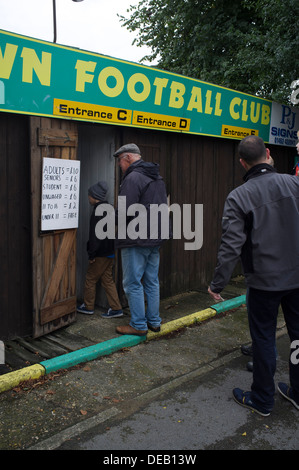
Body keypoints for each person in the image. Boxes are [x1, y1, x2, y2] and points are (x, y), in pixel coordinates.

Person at [208, 135, 299, 416]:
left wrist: (217, 284)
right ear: (268, 153)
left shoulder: (239, 196)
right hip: (297, 278)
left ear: (242, 163)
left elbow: (231, 245)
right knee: (297, 336)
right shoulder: (294, 183)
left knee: (263, 338)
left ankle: (262, 399)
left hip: (264, 282)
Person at [113, 143, 169, 336]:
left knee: (132, 282)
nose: (120, 166)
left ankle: (138, 324)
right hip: (155, 237)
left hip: (136, 239)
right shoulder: (157, 177)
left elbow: (124, 211)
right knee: (152, 281)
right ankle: (154, 321)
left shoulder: (133, 178)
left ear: (127, 157)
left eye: (120, 161)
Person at [77, 181, 123, 318]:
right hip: (109, 252)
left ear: (94, 196)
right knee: (107, 280)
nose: (88, 198)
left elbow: (95, 236)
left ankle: (88, 306)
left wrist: (91, 254)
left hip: (100, 253)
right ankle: (116, 308)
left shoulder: (98, 211)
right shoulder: (109, 209)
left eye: (89, 195)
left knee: (90, 279)